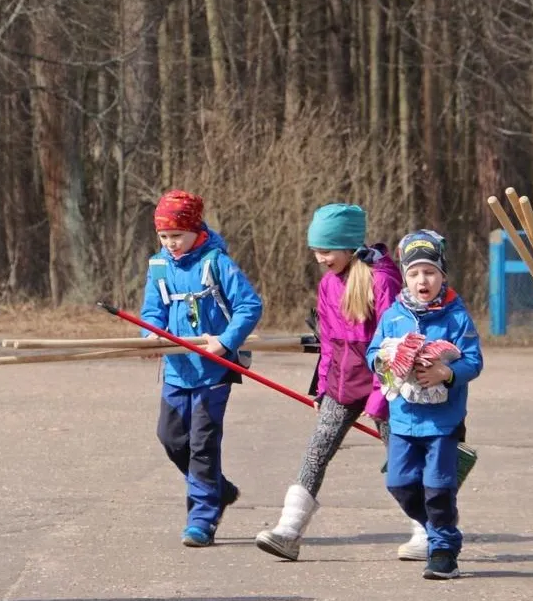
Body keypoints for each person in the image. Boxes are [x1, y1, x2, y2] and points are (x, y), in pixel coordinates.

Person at [254, 204, 404, 561]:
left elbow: (392, 345)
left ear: (350, 246)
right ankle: (288, 531)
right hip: (341, 384)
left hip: (382, 385)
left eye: (326, 251)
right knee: (316, 451)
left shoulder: (383, 280)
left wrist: (382, 397)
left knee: (402, 461)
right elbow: (328, 344)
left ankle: (429, 532)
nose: (320, 259)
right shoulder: (327, 285)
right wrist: (322, 387)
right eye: (316, 251)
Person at [140, 189, 263, 547]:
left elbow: (249, 306)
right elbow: (152, 312)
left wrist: (225, 341)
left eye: (177, 235)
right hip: (177, 368)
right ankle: (218, 488)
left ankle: (202, 517)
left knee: (203, 446)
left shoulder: (217, 262)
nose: (171, 243)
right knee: (171, 438)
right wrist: (149, 335)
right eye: (164, 237)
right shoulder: (159, 265)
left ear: (196, 230)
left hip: (213, 369)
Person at [367, 230, 483, 580]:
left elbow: (474, 362)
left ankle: (444, 550)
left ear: (442, 275)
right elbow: (372, 352)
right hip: (403, 418)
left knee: (438, 487)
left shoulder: (456, 317)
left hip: (442, 422)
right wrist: (384, 359)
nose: (423, 280)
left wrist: (446, 372)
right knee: (399, 484)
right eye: (415, 273)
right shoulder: (393, 315)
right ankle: (439, 529)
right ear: (405, 277)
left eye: (430, 272)